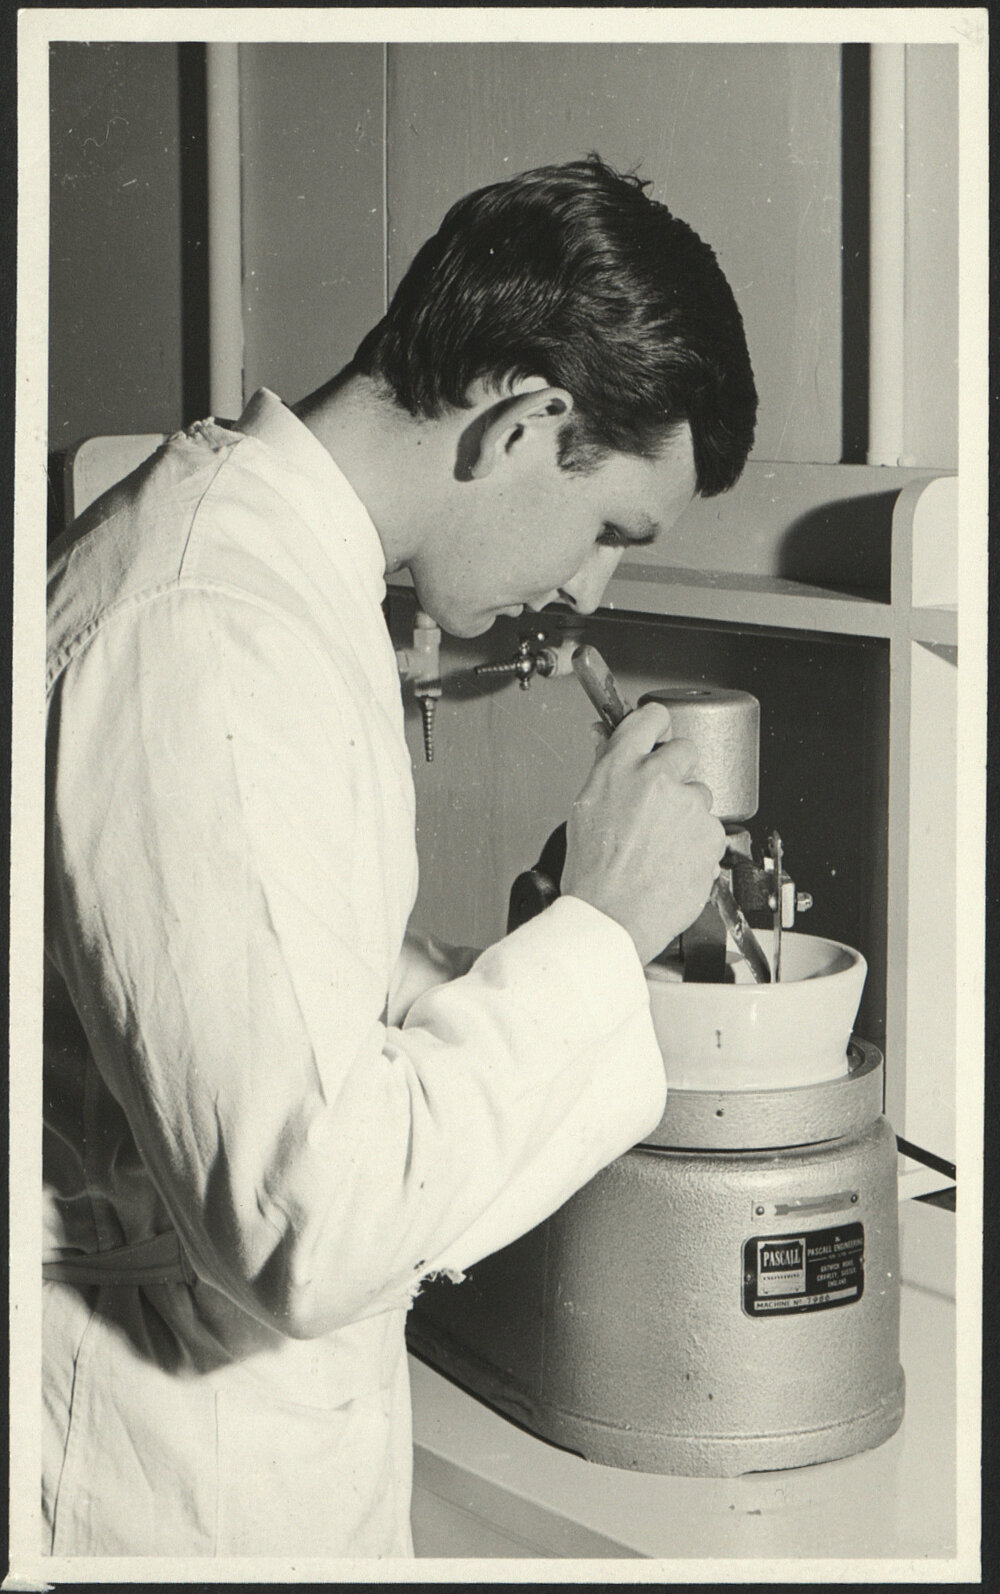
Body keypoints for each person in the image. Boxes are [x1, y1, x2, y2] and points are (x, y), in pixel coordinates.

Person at [42, 155, 757, 1557]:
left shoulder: (286, 576)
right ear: (525, 421)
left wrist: (479, 969)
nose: (590, 586)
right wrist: (601, 927)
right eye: (611, 527)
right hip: (161, 1490)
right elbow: (305, 1210)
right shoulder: (208, 627)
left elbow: (275, 988)